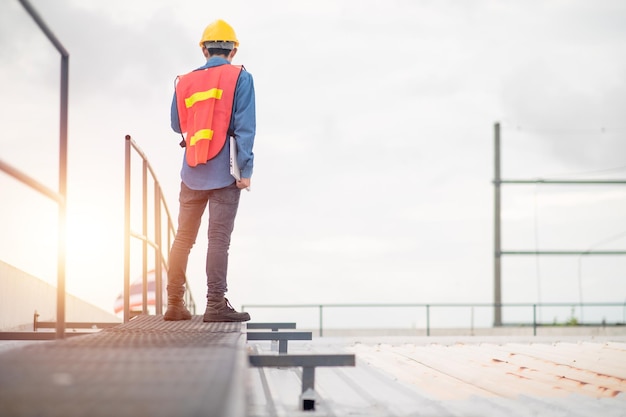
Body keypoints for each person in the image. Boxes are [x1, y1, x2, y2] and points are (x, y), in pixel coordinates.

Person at [164, 19, 255, 322]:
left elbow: (178, 125)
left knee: (183, 238)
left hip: (191, 169)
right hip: (225, 170)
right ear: (233, 50)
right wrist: (246, 169)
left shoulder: (184, 81)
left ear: (204, 49)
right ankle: (215, 304)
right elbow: (244, 128)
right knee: (218, 238)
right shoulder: (240, 77)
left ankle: (174, 304)